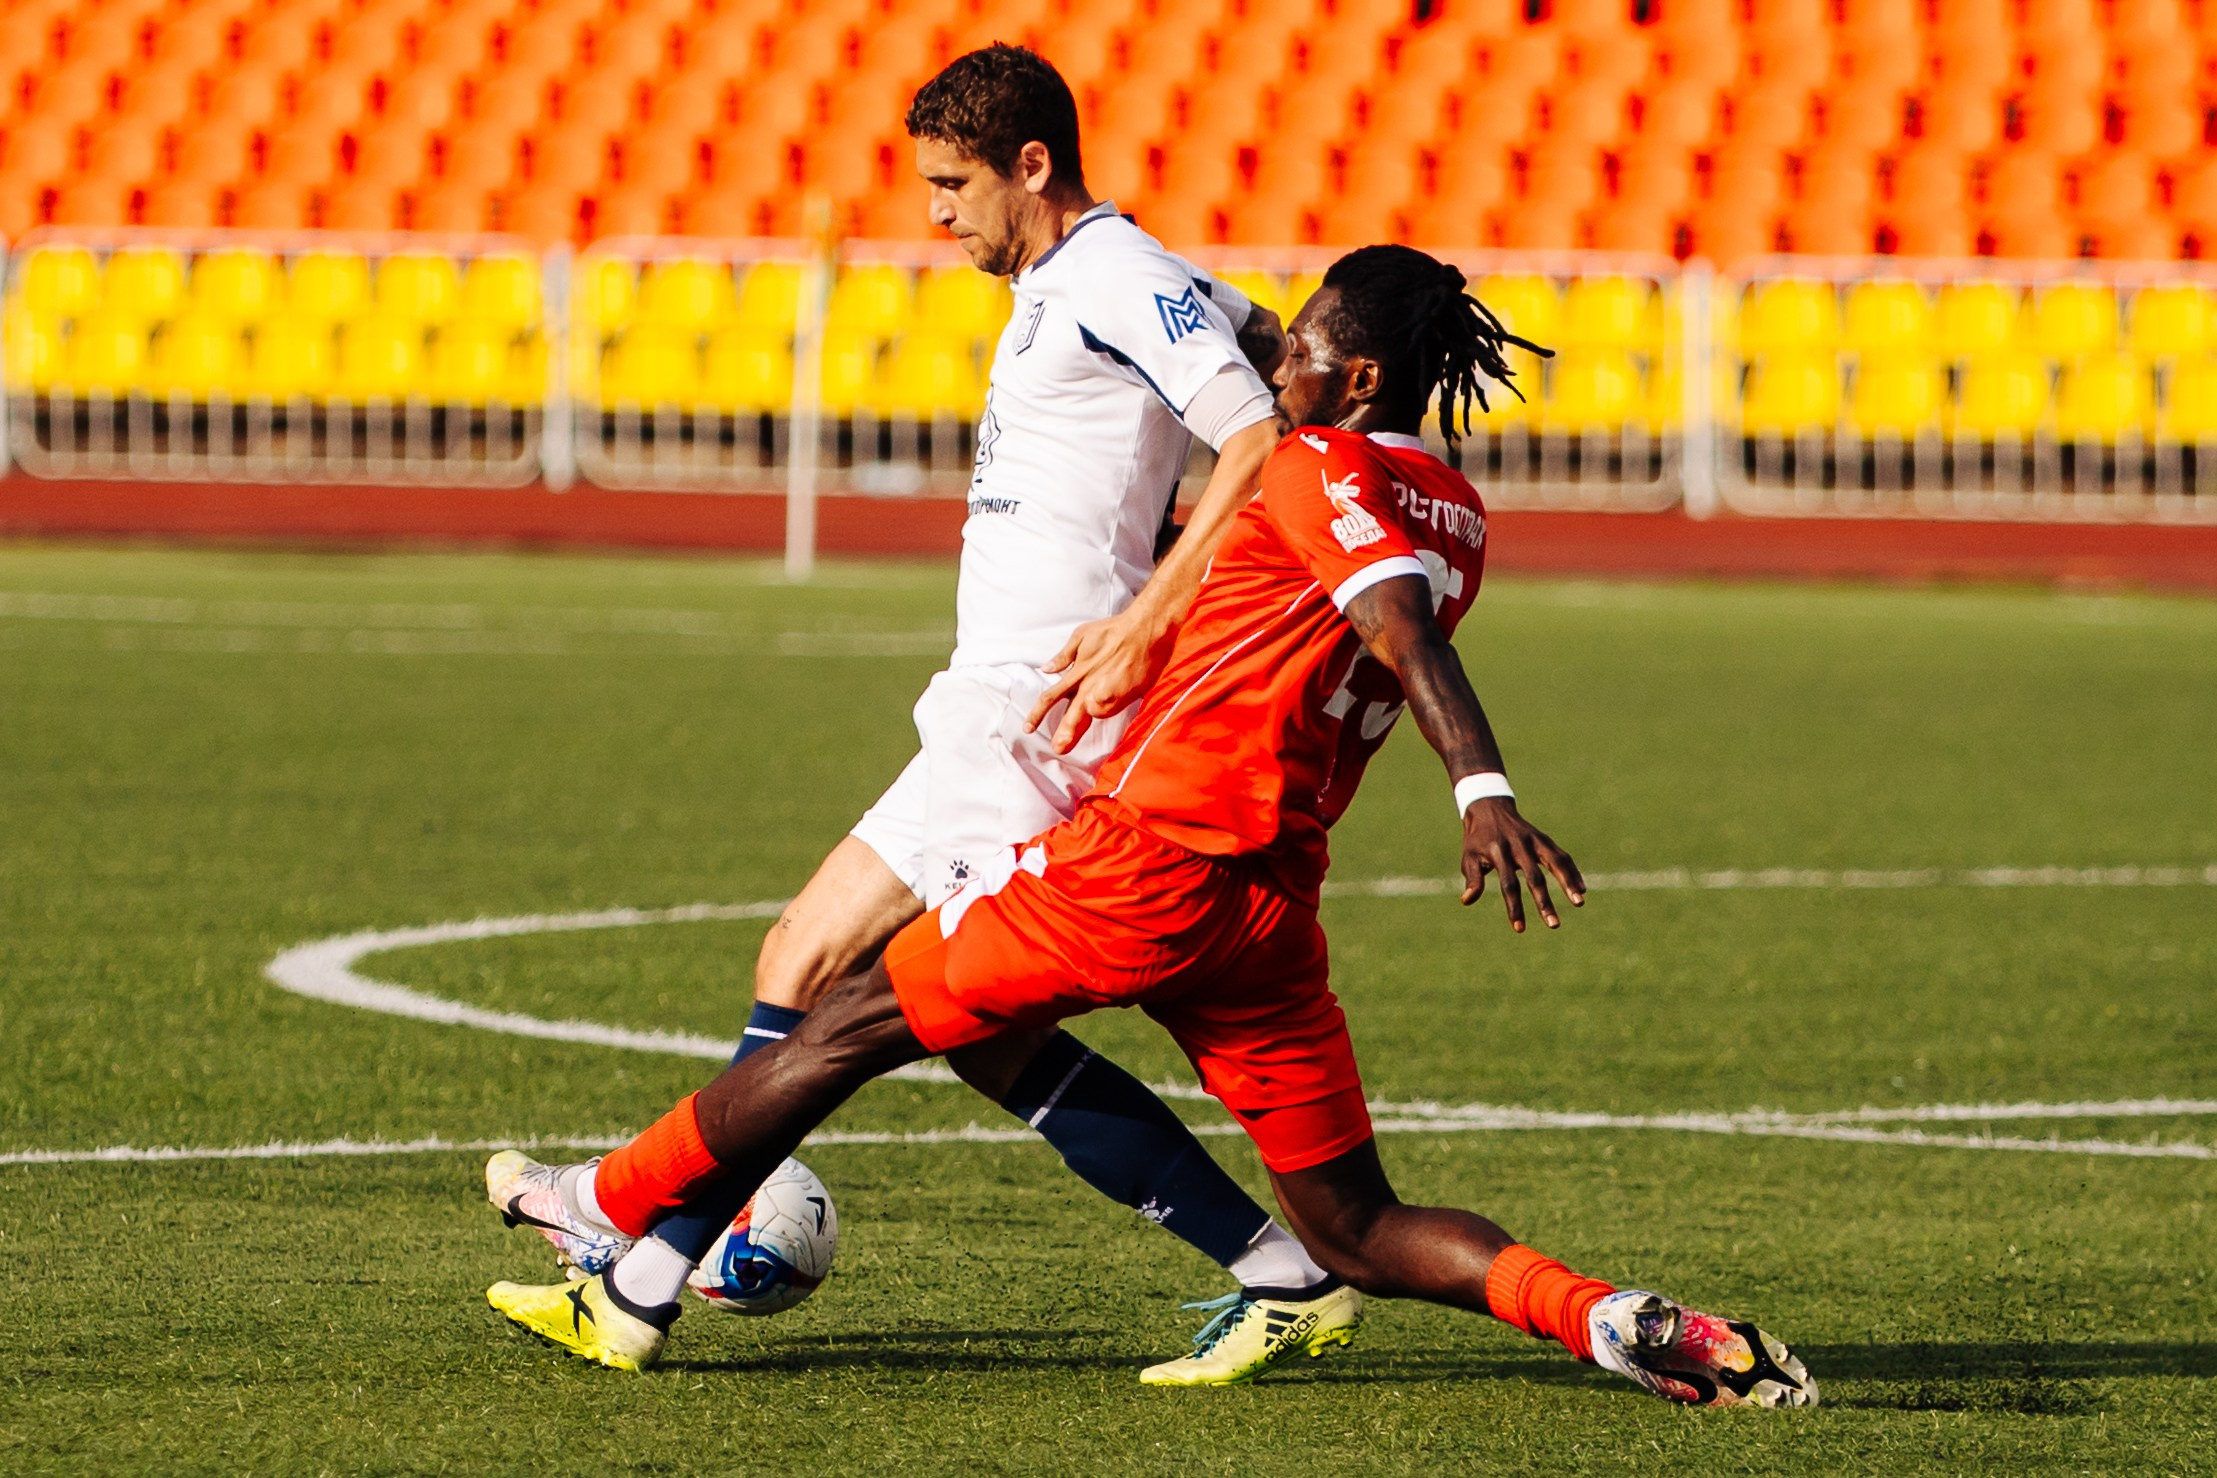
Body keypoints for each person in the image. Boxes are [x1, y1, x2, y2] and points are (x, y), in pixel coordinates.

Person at [484, 244, 1818, 1407]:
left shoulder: (1316, 465)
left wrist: (1481, 787)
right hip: (1271, 916)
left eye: (1305, 344)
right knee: (1357, 1225)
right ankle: (1604, 1315)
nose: (1279, 357)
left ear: (1355, 382)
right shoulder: (1457, 514)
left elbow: (1390, 625)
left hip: (1150, 867)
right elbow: (1333, 579)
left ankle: (606, 1219)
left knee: (839, 1015)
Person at [486, 43, 1362, 1385]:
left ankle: (633, 1254)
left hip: (1038, 718)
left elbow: (1250, 431)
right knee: (975, 1034)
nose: (935, 213)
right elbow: (1272, 345)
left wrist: (1144, 614)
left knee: (807, 967)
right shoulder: (1107, 278)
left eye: (954, 184)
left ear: (1031, 166)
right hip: (996, 706)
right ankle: (1276, 1268)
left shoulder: (1118, 276)